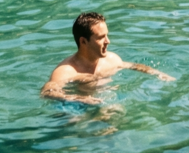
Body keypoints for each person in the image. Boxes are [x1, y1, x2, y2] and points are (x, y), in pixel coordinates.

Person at [41, 12, 174, 101]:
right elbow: (47, 92)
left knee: (115, 113)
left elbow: (133, 66)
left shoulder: (111, 59)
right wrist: (79, 99)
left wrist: (158, 74)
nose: (108, 41)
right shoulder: (67, 70)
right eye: (101, 37)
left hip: (106, 101)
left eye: (107, 35)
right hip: (77, 107)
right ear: (83, 41)